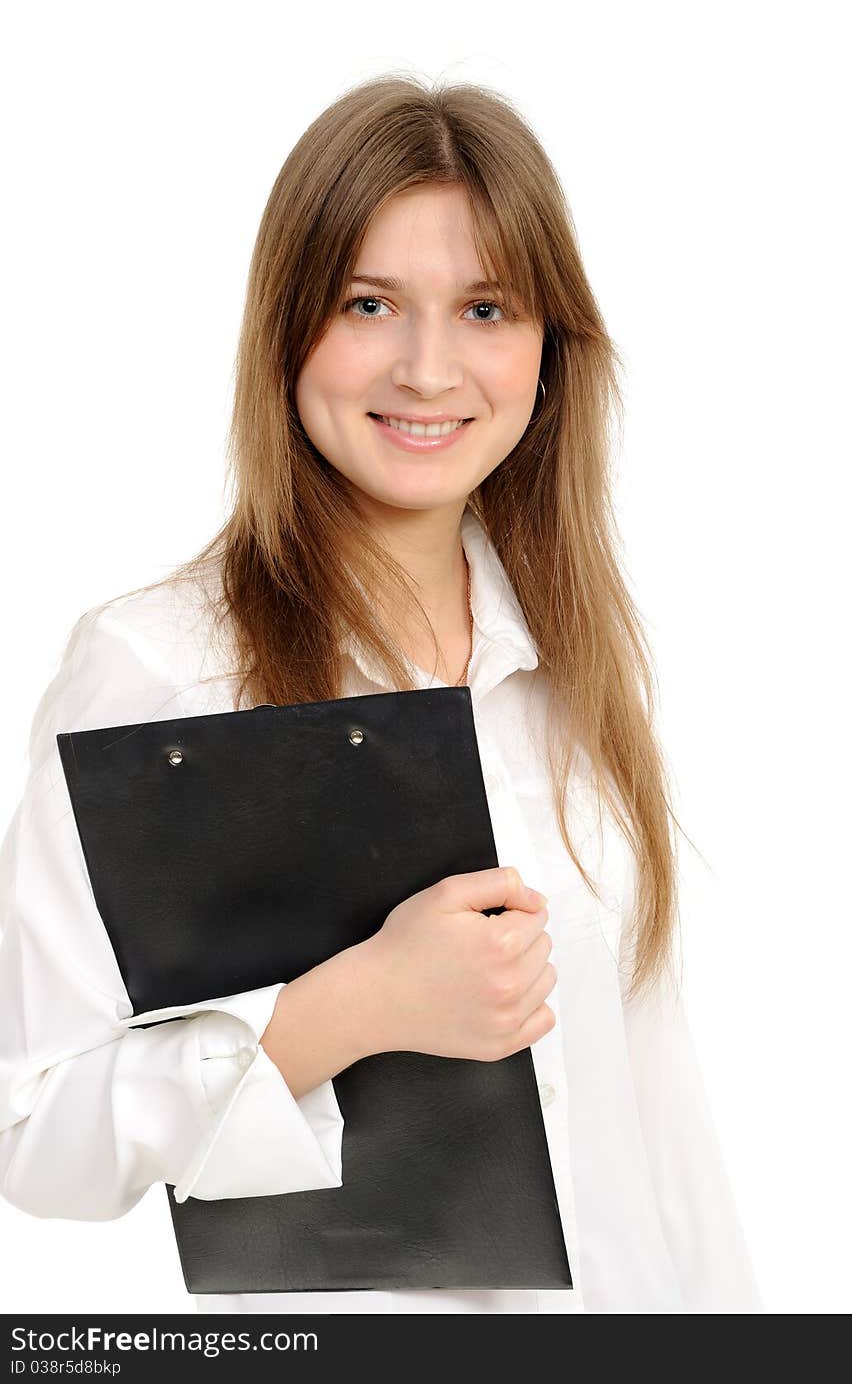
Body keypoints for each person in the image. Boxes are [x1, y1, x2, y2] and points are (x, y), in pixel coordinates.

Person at [0, 73, 763, 1314]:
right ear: (289, 331)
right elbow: (32, 1129)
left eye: (483, 308)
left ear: (546, 351)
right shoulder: (161, 670)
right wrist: (344, 1009)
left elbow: (657, 1121)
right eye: (369, 304)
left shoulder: (573, 668)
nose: (427, 367)